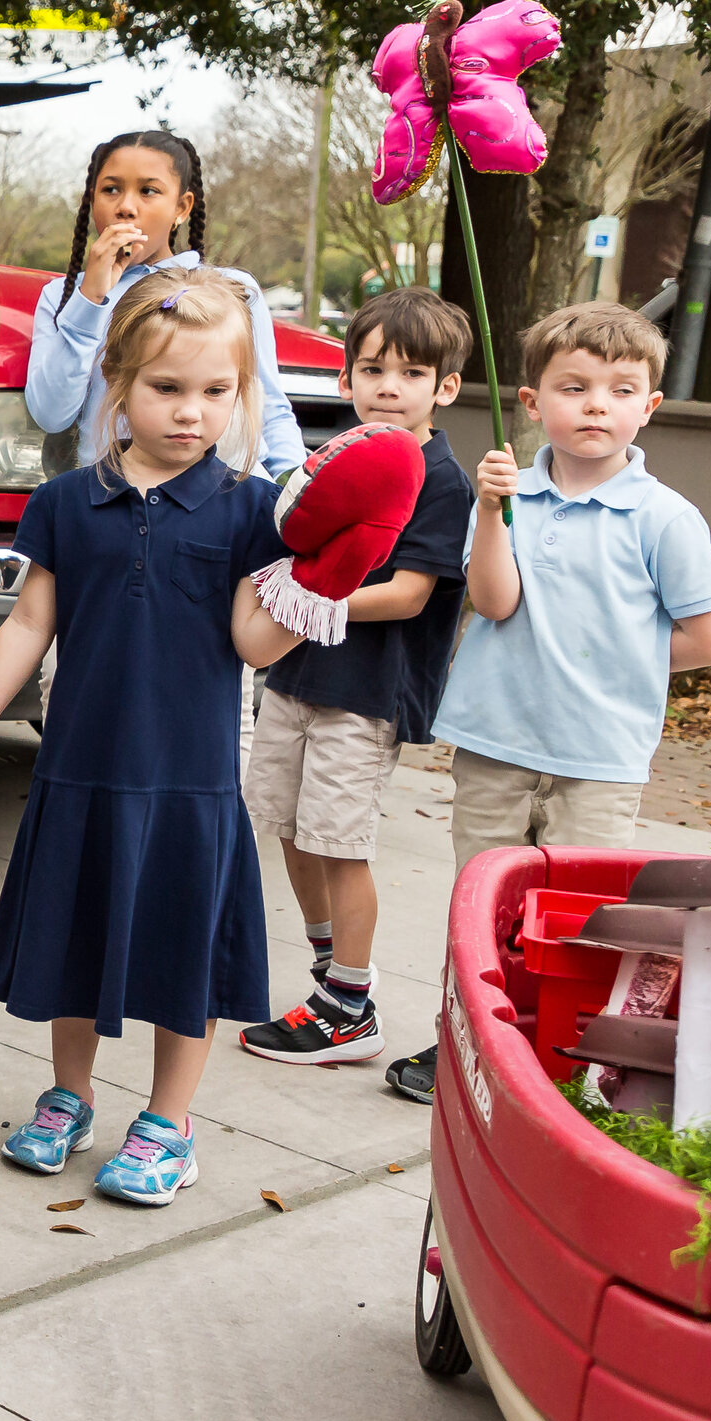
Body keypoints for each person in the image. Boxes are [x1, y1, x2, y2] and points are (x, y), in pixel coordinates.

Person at [0, 268, 309, 1207]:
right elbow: (32, 625)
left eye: (216, 391)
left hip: (188, 786)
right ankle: (68, 1094)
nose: (192, 412)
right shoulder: (68, 501)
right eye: (167, 388)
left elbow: (252, 640)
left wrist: (313, 591)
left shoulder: (250, 510)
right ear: (118, 386)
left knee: (179, 954)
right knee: (75, 942)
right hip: (78, 773)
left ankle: (169, 1120)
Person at [388, 301, 711, 1101]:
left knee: (577, 919)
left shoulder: (665, 519)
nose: (595, 405)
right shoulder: (510, 492)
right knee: (479, 906)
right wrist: (490, 511)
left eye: (620, 390)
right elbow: (494, 601)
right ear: (531, 401)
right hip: (498, 740)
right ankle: (465, 1039)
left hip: (600, 756)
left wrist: (624, 664)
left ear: (648, 408)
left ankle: (549, 1054)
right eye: (574, 387)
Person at [239, 287, 474, 1065]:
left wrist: (304, 602)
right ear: (344, 380)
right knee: (289, 831)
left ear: (444, 388)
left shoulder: (442, 480)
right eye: (371, 369)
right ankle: (327, 980)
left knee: (340, 844)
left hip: (369, 691)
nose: (387, 387)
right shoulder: (332, 460)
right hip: (296, 676)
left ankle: (351, 1004)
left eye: (410, 373)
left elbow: (409, 594)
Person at [25, 130, 305, 477]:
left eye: (148, 191)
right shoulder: (63, 296)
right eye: (110, 189)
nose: (126, 207)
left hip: (226, 498)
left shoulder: (234, 288)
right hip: (116, 499)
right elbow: (51, 414)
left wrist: (291, 481)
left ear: (182, 207)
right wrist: (90, 300)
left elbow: (269, 406)